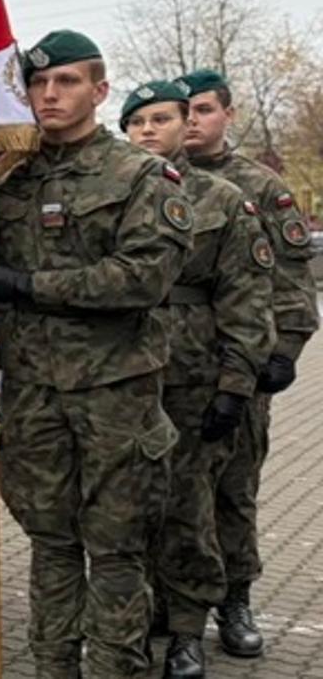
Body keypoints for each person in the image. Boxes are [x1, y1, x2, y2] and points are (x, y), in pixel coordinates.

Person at [0, 30, 190, 678]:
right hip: (31, 397)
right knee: (50, 545)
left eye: (67, 81)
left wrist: (28, 287)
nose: (49, 93)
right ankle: (53, 668)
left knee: (115, 551)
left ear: (99, 91)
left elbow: (145, 276)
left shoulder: (140, 175)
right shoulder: (0, 177)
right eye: (38, 82)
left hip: (116, 396)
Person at [122, 80, 273, 678]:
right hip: (120, 379)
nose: (148, 130)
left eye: (161, 119)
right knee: (127, 510)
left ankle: (188, 631)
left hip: (193, 382)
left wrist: (237, 385)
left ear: (184, 124)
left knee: (192, 508)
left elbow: (247, 297)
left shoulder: (223, 198)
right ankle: (137, 620)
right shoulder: (110, 191)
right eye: (136, 121)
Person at [177, 67, 316, 659]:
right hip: (171, 371)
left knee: (233, 492)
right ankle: (170, 603)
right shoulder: (152, 179)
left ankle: (235, 599)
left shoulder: (260, 185)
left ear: (228, 115)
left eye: (204, 109)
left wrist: (283, 352)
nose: (191, 120)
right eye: (183, 110)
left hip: (239, 368)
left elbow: (292, 280)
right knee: (170, 494)